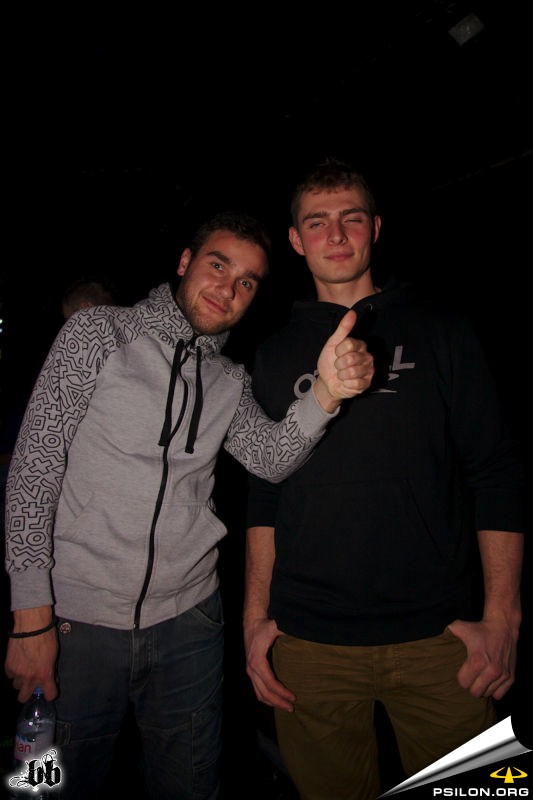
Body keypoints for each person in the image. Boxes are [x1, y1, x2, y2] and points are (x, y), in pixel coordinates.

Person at [3, 208, 374, 800]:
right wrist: (31, 619)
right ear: (184, 262)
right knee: (52, 788)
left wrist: (325, 394)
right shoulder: (99, 334)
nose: (228, 289)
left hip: (190, 626)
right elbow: (34, 471)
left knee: (191, 789)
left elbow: (270, 457)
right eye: (218, 266)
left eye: (247, 281)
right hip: (76, 626)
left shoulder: (229, 379)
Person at [243, 158, 525, 799]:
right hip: (308, 644)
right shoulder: (273, 352)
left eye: (351, 218)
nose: (336, 234)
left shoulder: (443, 328)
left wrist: (503, 618)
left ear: (375, 228)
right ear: (295, 240)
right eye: (317, 222)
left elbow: (495, 472)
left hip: (442, 641)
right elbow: (264, 491)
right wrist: (255, 622)